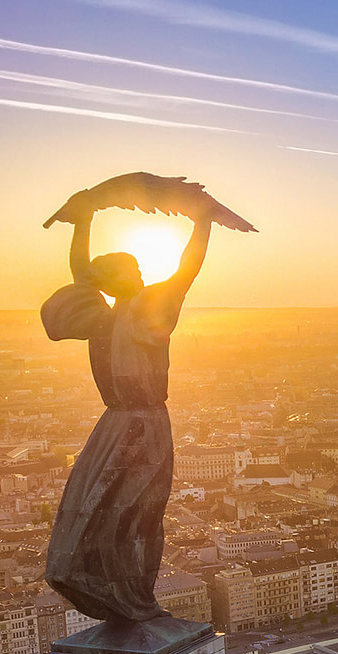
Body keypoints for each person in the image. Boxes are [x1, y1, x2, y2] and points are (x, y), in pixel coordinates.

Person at [40, 198, 212, 622]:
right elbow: (84, 275)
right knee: (107, 512)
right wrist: (82, 223)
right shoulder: (111, 317)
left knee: (134, 513)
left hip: (140, 423)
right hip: (123, 425)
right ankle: (116, 592)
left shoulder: (131, 314)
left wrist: (203, 225)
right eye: (128, 272)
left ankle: (135, 597)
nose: (137, 275)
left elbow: (183, 273)